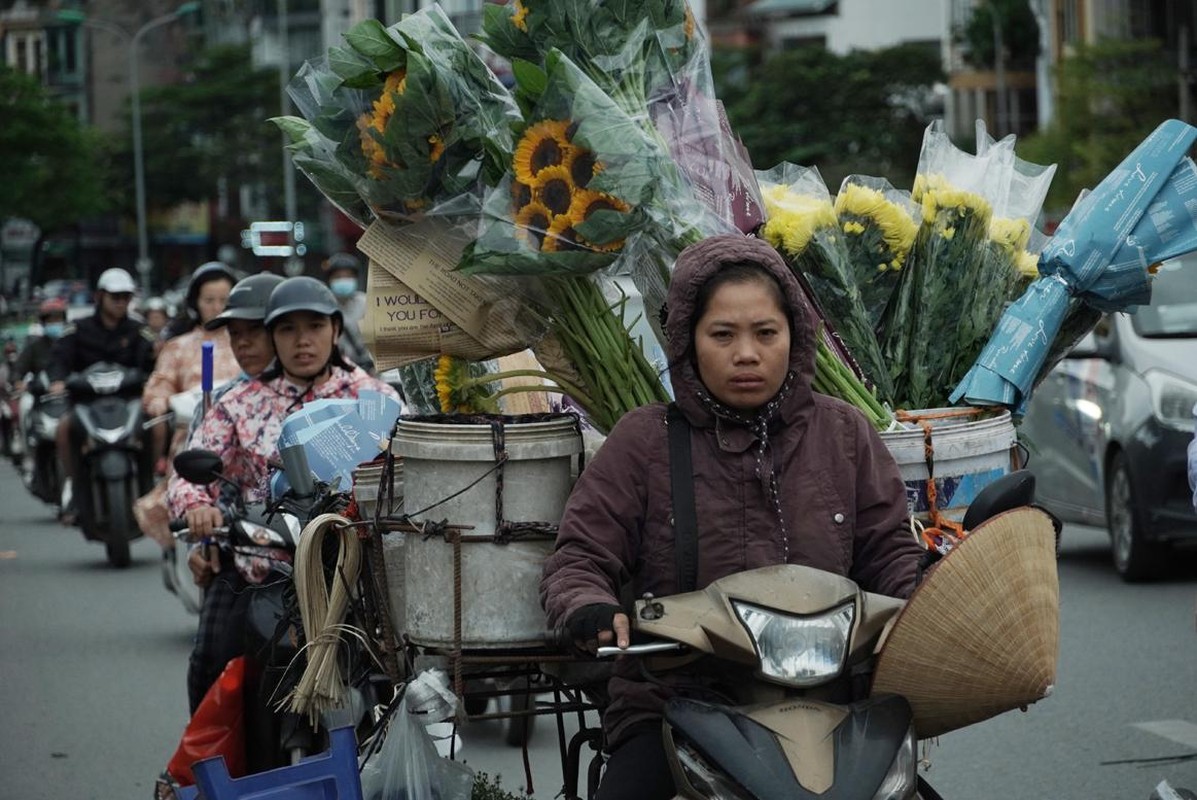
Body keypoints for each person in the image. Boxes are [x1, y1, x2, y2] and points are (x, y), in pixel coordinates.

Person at [539, 233, 925, 800]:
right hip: (677, 697)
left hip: (834, 701)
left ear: (795, 338)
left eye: (766, 333)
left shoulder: (844, 433)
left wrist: (925, 608)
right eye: (723, 334)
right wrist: (586, 606)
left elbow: (889, 550)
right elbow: (580, 554)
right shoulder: (644, 441)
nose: (747, 353)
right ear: (688, 343)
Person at [167, 275, 400, 712]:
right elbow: (189, 474)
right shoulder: (237, 403)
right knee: (208, 663)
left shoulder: (374, 398)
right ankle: (212, 774)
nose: (302, 341)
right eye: (288, 329)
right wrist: (198, 506)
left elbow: (409, 465)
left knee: (408, 673)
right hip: (260, 567)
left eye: (314, 326)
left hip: (356, 568)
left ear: (335, 329)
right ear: (273, 337)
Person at [48, 267, 157, 524]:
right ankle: (75, 486)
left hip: (129, 402)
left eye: (126, 297)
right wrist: (57, 381)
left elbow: (154, 363)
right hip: (88, 404)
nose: (121, 302)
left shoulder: (140, 331)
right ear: (99, 296)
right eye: (115, 297)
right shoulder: (77, 329)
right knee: (63, 429)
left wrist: (154, 378)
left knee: (157, 426)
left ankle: (150, 483)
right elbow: (58, 360)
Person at [142, 262, 240, 474]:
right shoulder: (178, 345)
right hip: (192, 433)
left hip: (245, 431)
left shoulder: (247, 341)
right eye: (209, 300)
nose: (217, 308)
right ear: (196, 303)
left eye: (224, 300)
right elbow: (162, 382)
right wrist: (159, 400)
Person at [322, 252, 374, 373]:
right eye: (338, 277)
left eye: (348, 276)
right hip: (333, 371)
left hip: (366, 370)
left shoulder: (367, 303)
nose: (343, 280)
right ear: (329, 280)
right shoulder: (323, 306)